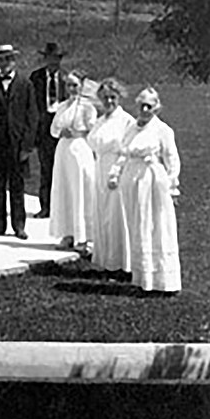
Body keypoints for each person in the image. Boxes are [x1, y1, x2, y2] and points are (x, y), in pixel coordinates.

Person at [108, 88, 182, 295]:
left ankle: (162, 280)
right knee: (137, 225)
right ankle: (142, 278)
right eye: (142, 105)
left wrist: (172, 186)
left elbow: (172, 160)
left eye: (150, 106)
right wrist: (115, 174)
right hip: (132, 181)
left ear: (157, 107)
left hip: (152, 182)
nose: (145, 109)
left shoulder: (163, 130)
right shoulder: (131, 128)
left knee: (155, 226)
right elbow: (123, 153)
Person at [0, 44, 38, 239]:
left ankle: (18, 225)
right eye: (1, 60)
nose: (4, 64)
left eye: (8, 59)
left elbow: (32, 117)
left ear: (14, 61)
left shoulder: (25, 84)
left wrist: (27, 146)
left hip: (17, 143)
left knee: (17, 186)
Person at [87, 78, 136, 274]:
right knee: (103, 215)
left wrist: (116, 173)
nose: (109, 102)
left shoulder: (127, 121)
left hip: (117, 172)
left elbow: (127, 151)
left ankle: (122, 263)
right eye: (105, 98)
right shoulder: (99, 121)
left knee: (118, 216)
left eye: (112, 97)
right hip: (99, 169)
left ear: (119, 97)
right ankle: (106, 260)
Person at [47, 71, 98, 251]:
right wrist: (61, 133)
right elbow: (53, 129)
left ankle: (83, 237)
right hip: (63, 151)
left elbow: (93, 128)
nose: (71, 89)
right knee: (64, 190)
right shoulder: (61, 106)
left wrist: (79, 132)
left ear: (81, 86)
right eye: (68, 85)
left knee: (80, 191)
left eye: (75, 85)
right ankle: (67, 233)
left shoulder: (87, 107)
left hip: (80, 150)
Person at [30, 42, 67, 218]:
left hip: (63, 132)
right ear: (45, 59)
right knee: (46, 169)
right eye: (51, 58)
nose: (54, 62)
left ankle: (63, 208)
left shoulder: (67, 80)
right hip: (43, 130)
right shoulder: (36, 78)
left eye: (58, 58)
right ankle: (45, 206)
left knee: (63, 170)